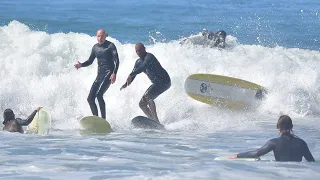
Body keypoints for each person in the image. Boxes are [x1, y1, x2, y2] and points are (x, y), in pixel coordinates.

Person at [74, 29, 120, 119]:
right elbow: (90, 61)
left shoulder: (110, 46)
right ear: (96, 36)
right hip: (100, 75)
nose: (100, 38)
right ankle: (96, 119)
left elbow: (117, 60)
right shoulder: (95, 47)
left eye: (102, 36)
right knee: (90, 99)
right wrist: (81, 65)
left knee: (99, 95)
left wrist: (114, 73)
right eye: (98, 36)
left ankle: (103, 119)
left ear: (105, 36)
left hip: (109, 74)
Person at [120, 43, 171, 123]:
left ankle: (156, 120)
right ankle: (152, 121)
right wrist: (126, 84)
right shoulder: (138, 62)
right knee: (142, 104)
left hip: (164, 81)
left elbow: (143, 67)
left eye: (140, 51)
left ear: (145, 49)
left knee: (148, 97)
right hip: (156, 84)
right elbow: (134, 74)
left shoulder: (149, 57)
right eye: (137, 51)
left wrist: (131, 74)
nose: (138, 53)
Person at [229, 115, 315, 162]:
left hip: (282, 175)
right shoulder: (301, 143)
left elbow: (256, 153)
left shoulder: (274, 142)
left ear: (277, 127)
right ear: (292, 126)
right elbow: (311, 161)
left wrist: (238, 155)